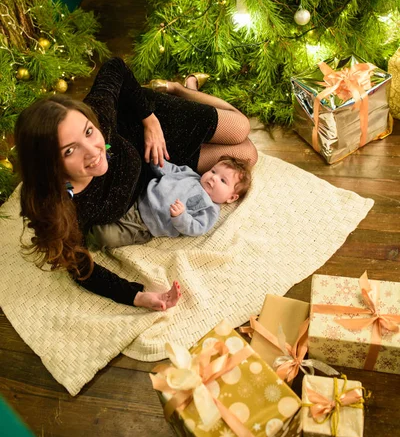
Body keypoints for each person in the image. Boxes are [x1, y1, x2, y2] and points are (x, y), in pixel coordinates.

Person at [14, 57, 258, 312]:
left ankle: (182, 90)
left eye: (88, 132)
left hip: (154, 136)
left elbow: (114, 66)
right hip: (162, 169)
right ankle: (189, 94)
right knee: (248, 155)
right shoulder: (60, 207)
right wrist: (137, 296)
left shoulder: (100, 123)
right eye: (69, 150)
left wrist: (149, 120)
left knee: (241, 128)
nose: (94, 150)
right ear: (48, 164)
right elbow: (80, 266)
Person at [88, 155, 252, 248]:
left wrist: (181, 216)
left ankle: (84, 236)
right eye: (213, 171)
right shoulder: (190, 174)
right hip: (136, 198)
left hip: (143, 226)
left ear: (231, 197)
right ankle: (85, 211)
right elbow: (170, 169)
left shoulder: (210, 209)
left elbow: (196, 228)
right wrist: (156, 160)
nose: (214, 178)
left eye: (223, 181)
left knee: (105, 236)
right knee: (104, 201)